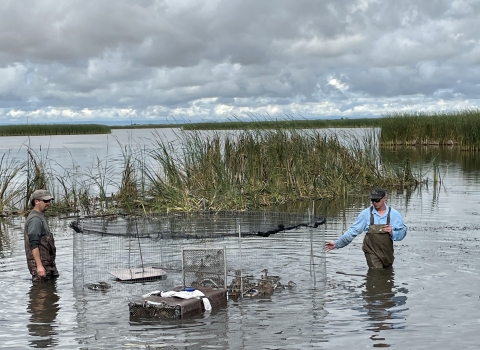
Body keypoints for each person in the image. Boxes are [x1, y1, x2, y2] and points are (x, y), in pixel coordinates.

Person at [325, 188, 407, 268]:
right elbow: (353, 231)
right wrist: (337, 243)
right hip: (371, 251)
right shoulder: (365, 214)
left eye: (377, 200)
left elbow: (403, 232)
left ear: (384, 198)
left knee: (387, 273)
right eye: (372, 200)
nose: (374, 202)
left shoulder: (394, 214)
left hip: (387, 252)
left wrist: (392, 232)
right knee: (376, 273)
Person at [24, 189, 59, 282]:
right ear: (36, 201)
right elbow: (33, 244)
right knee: (41, 291)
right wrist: (39, 266)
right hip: (41, 265)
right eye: (45, 201)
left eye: (49, 201)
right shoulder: (35, 220)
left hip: (48, 263)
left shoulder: (40, 216)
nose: (48, 203)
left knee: (51, 292)